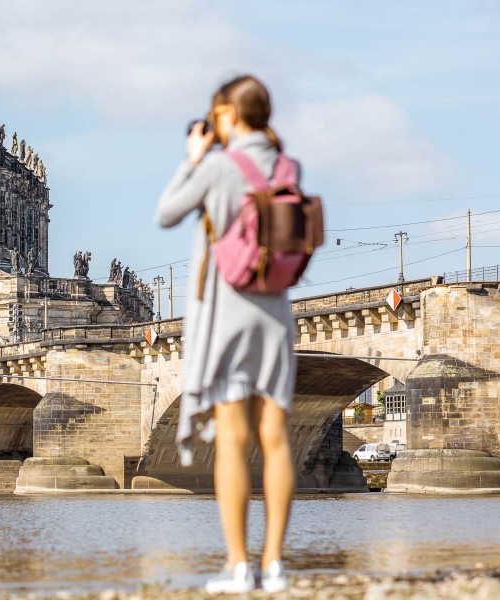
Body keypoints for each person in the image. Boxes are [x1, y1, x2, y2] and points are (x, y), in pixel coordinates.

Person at [154, 75, 297, 595]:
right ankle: (276, 563)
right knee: (277, 439)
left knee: (234, 440)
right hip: (277, 312)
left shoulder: (217, 166)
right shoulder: (287, 166)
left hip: (228, 312)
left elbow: (167, 212)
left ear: (230, 118)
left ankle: (240, 565)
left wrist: (194, 156)